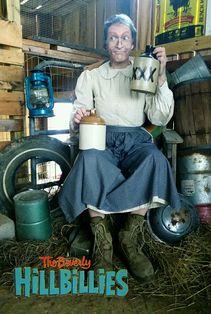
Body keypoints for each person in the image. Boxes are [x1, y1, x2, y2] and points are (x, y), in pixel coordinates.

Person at [59, 13, 181, 282]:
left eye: (124, 37)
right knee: (89, 160)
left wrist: (160, 76)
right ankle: (103, 245)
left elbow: (160, 118)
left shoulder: (144, 69)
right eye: (113, 37)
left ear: (132, 43)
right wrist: (79, 118)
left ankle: (129, 238)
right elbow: (80, 111)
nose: (118, 43)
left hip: (136, 138)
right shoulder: (92, 75)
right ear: (106, 42)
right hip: (101, 136)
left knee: (155, 160)